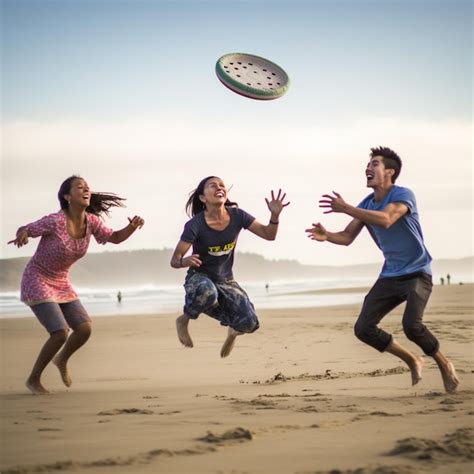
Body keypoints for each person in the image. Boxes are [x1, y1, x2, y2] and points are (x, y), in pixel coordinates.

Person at [306, 147, 459, 393]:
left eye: (374, 164)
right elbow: (346, 237)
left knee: (412, 326)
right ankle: (411, 359)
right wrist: (328, 236)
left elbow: (386, 219)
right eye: (368, 165)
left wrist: (346, 208)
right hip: (390, 275)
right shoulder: (366, 204)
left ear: (390, 171)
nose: (368, 168)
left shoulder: (402, 195)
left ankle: (444, 364)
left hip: (418, 272)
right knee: (363, 329)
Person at [8, 176, 145, 395]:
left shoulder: (91, 222)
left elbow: (115, 237)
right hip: (37, 278)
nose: (86, 190)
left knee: (84, 329)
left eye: (88, 188)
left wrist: (132, 226)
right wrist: (22, 234)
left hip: (61, 281)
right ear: (67, 196)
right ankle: (33, 380)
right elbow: (26, 228)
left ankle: (61, 359)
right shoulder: (55, 221)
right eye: (80, 188)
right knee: (60, 332)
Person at [170, 176, 289, 357]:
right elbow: (175, 260)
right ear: (203, 198)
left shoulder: (238, 216)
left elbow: (268, 234)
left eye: (222, 185)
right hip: (199, 278)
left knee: (250, 323)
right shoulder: (195, 225)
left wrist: (274, 216)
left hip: (226, 280)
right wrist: (184, 261)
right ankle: (184, 319)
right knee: (207, 292)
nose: (219, 188)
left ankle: (233, 332)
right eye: (212, 186)